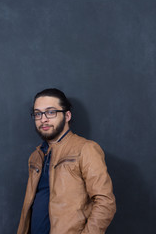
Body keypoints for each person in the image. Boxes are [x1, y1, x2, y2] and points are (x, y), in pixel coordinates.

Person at [17, 88, 116, 234]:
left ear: (67, 115)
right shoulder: (35, 156)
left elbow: (105, 202)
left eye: (51, 112)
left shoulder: (86, 149)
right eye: (38, 113)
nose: (43, 119)